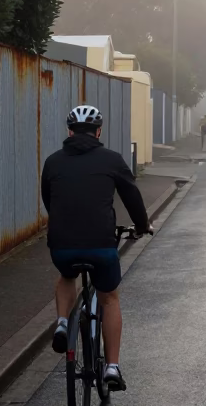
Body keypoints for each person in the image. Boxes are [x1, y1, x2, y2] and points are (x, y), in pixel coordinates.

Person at [41, 104, 150, 391]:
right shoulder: (112, 160)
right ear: (98, 131)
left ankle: (63, 322)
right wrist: (141, 226)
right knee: (109, 298)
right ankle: (112, 367)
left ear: (69, 131)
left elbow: (48, 200)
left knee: (66, 276)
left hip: (62, 245)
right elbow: (133, 198)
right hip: (101, 245)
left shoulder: (53, 161)